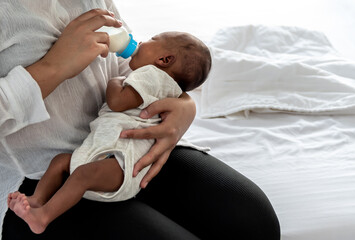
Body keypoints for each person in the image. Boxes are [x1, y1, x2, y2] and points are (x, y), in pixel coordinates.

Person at [1, 1, 280, 239]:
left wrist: (184, 106)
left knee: (255, 224)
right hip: (45, 174)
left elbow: (130, 59)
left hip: (132, 140)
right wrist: (54, 67)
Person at [7, 31, 212, 234]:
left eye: (152, 39)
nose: (141, 40)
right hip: (113, 155)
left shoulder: (151, 76)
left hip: (122, 161)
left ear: (164, 59)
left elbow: (117, 102)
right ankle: (36, 200)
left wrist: (115, 81)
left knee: (81, 174)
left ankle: (43, 216)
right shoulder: (161, 82)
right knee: (62, 161)